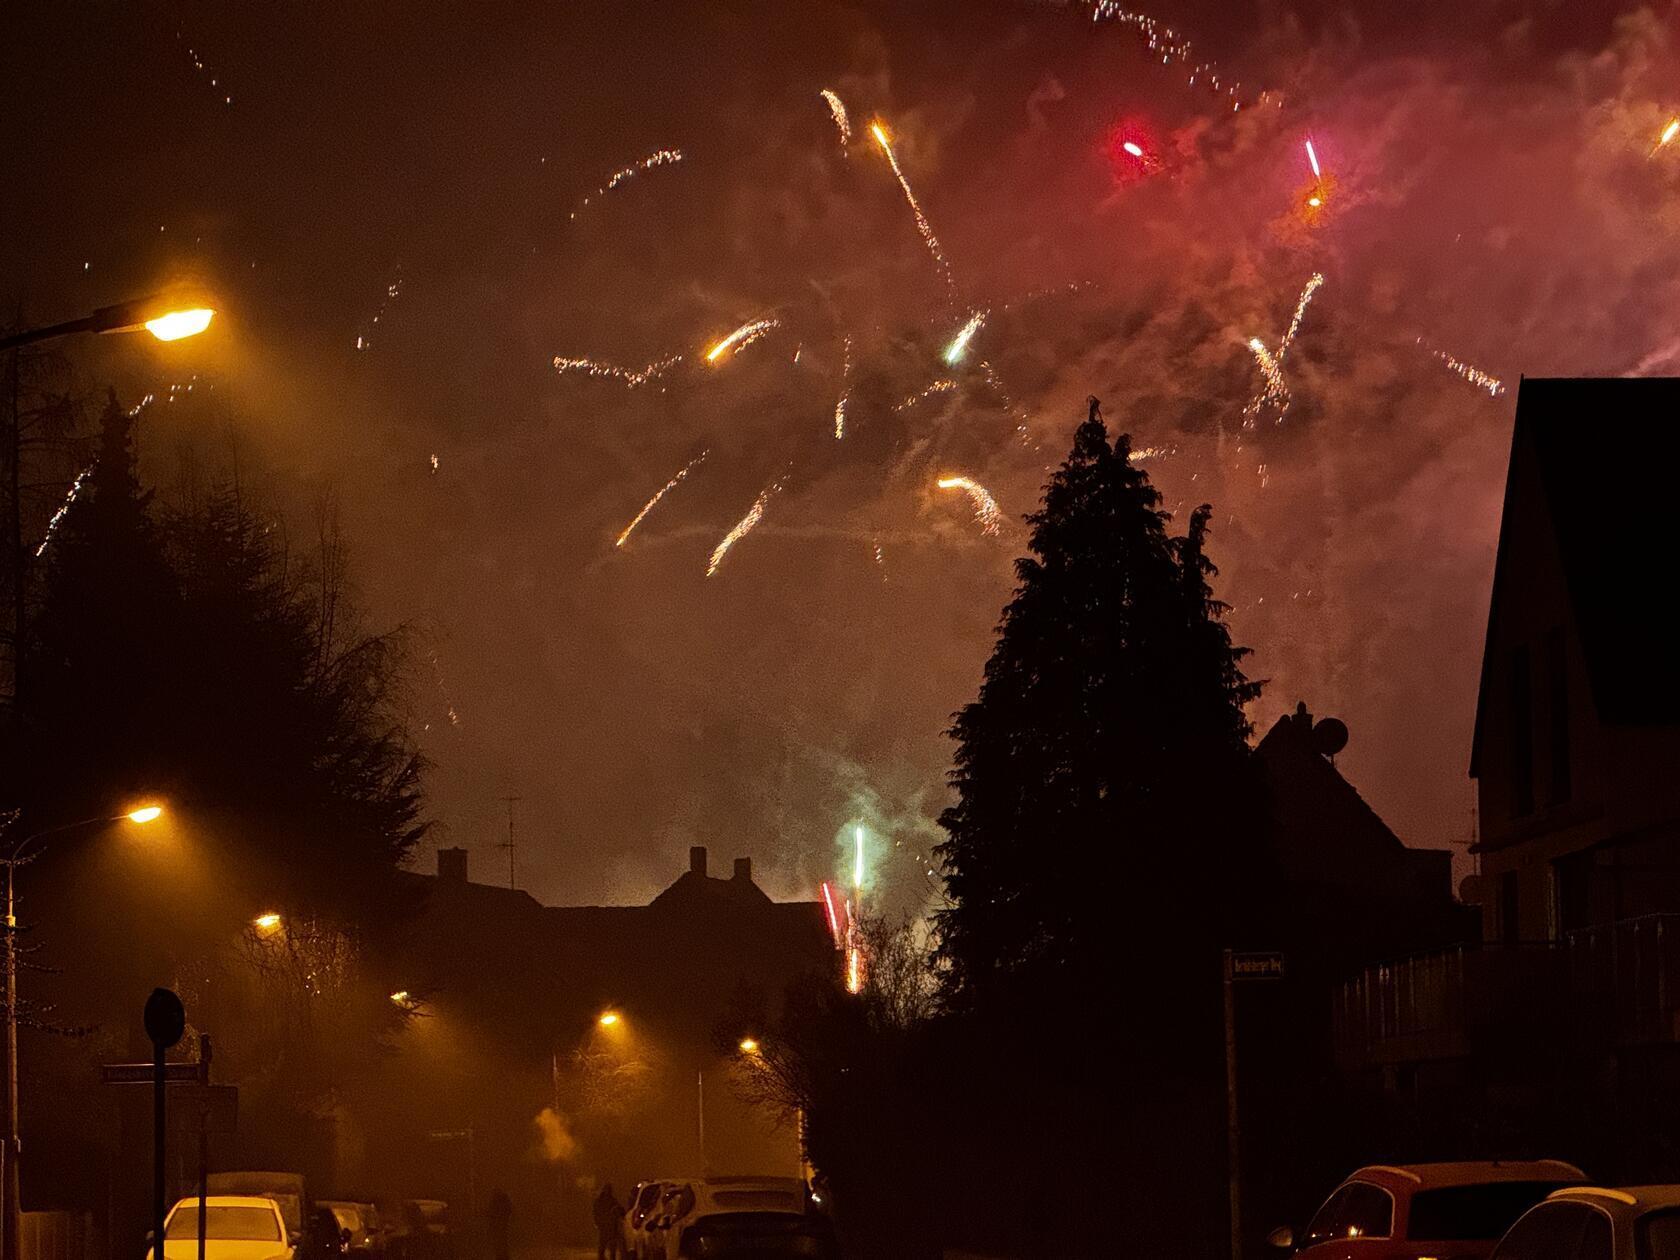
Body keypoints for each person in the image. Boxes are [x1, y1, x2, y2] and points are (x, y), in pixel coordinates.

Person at [592, 1184, 623, 1260]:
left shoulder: (613, 1201)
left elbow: (619, 1210)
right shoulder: (599, 1201)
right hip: (604, 1227)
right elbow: (596, 1213)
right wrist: (598, 1222)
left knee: (612, 1249)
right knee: (602, 1248)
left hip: (612, 1228)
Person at [485, 1190, 512, 1260]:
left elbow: (490, 1213)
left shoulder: (497, 1203)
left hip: (499, 1226)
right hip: (501, 1226)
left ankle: (501, 1256)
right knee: (501, 1243)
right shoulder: (504, 1202)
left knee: (500, 1243)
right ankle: (502, 1256)